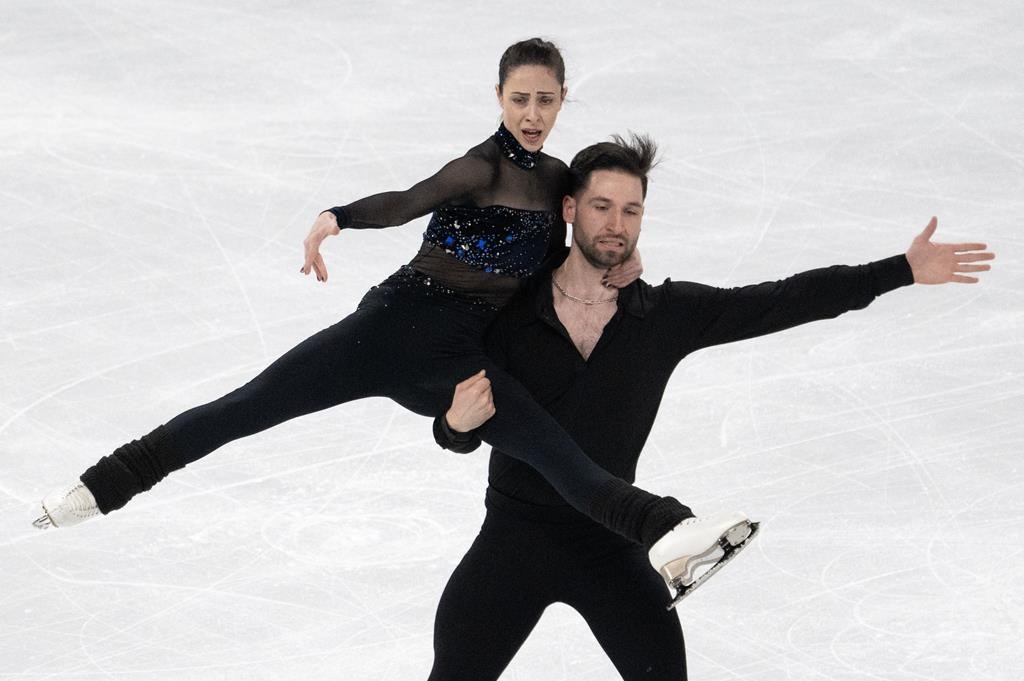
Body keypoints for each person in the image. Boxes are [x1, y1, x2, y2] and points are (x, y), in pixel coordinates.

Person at [32, 39, 758, 604]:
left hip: (459, 358)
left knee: (555, 451)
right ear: (499, 98)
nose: (531, 115)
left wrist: (624, 264)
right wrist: (337, 216)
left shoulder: (561, 179)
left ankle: (670, 531)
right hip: (385, 332)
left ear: (564, 99)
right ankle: (99, 487)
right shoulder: (480, 167)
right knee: (245, 408)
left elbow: (587, 232)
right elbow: (409, 200)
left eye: (545, 100)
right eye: (519, 99)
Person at [426, 134, 994, 680]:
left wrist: (901, 270)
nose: (616, 225)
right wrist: (452, 426)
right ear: (570, 208)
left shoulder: (664, 316)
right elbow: (455, 412)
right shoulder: (509, 307)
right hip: (511, 543)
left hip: (612, 545)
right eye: (601, 206)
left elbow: (781, 300)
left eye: (632, 210)